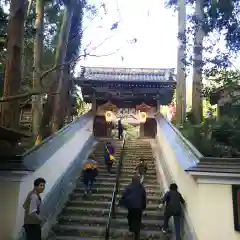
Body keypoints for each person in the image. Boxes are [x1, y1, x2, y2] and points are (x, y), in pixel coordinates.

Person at [119, 175, 146, 240]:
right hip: (139, 207)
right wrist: (143, 206)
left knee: (130, 216)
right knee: (138, 220)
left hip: (130, 206)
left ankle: (131, 227)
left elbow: (124, 195)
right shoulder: (141, 188)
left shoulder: (129, 186)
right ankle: (136, 234)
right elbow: (144, 198)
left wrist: (121, 203)